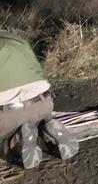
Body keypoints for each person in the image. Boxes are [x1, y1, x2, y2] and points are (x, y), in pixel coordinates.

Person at [0, 31, 78, 169]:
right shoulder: (15, 39)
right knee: (33, 122)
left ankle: (15, 144)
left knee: (3, 143)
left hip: (7, 115)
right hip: (43, 103)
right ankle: (46, 133)